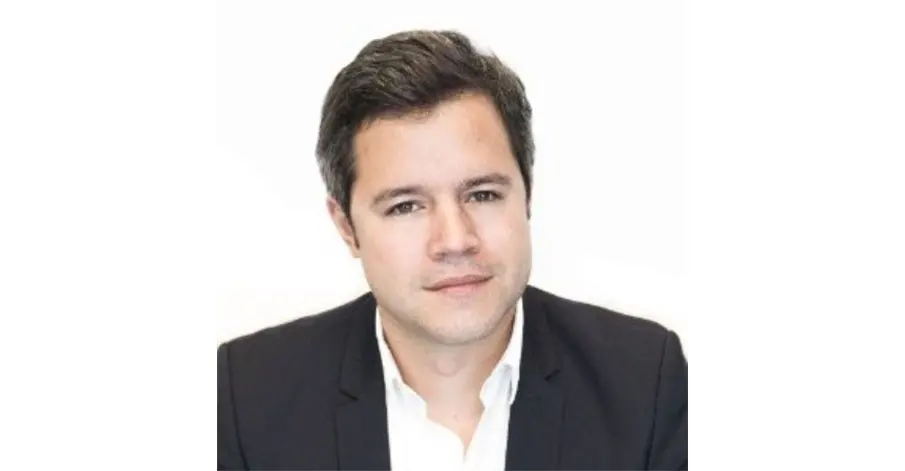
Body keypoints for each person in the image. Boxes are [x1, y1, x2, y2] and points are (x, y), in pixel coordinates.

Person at [217, 29, 687, 471]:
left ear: (527, 196)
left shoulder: (645, 381)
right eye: (405, 206)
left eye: (482, 195)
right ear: (346, 227)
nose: (456, 240)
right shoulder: (245, 395)